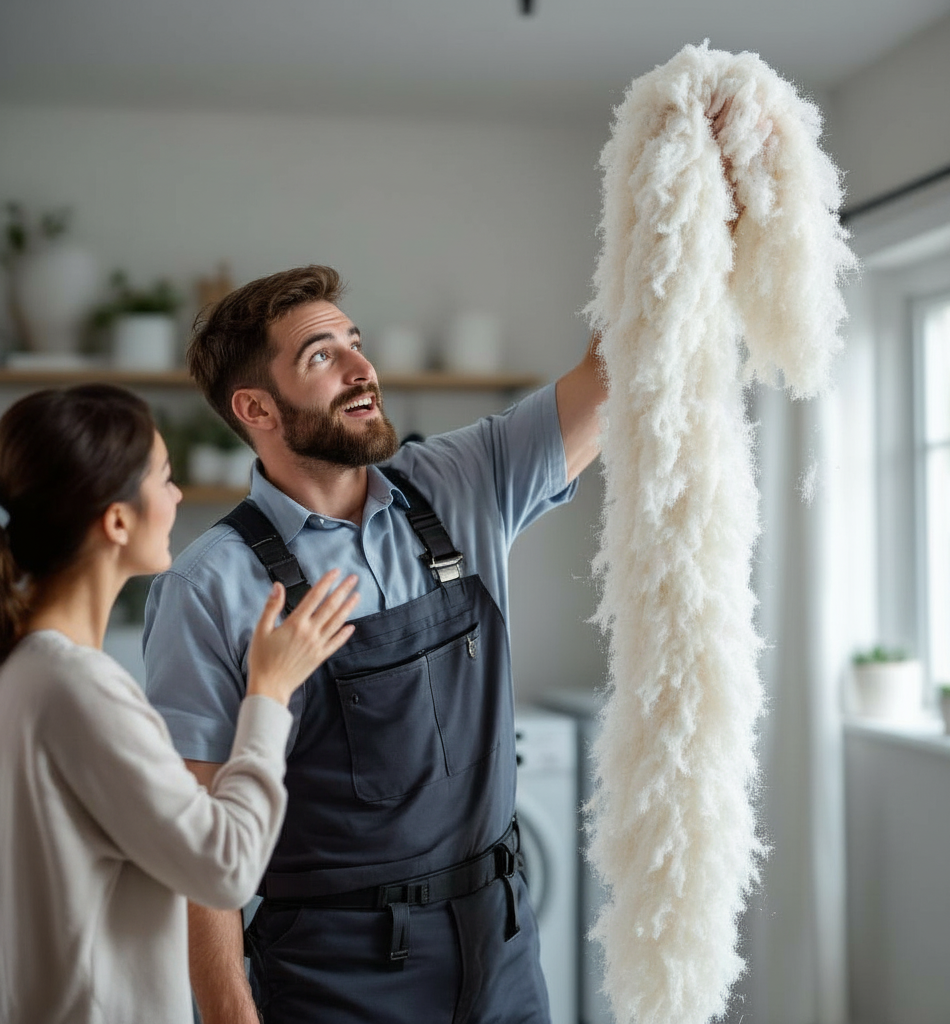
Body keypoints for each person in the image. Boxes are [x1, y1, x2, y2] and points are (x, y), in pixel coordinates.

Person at [143, 265, 607, 1024]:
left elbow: (611, 373)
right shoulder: (208, 589)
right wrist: (230, 1015)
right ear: (256, 407)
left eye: (354, 344)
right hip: (337, 980)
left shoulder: (461, 482)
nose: (363, 371)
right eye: (321, 357)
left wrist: (681, 194)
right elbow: (197, 847)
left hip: (505, 950)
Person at [0, 384, 360, 1024]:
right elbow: (224, 868)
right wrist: (269, 691)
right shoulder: (82, 691)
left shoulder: (24, 672)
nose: (176, 496)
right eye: (165, 479)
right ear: (116, 520)